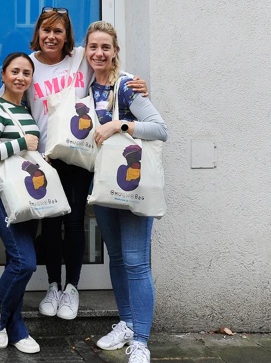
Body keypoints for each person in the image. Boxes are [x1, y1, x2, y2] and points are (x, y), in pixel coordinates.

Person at [0, 8, 145, 321]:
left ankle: (72, 287)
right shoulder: (28, 64)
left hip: (80, 154)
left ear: (67, 35)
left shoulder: (80, 56)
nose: (52, 37)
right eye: (46, 31)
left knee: (74, 220)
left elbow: (106, 60)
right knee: (51, 222)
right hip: (44, 156)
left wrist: (134, 84)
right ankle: (53, 285)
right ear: (37, 34)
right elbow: (1, 100)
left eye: (58, 31)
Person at [84, 21, 167, 363]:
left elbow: (161, 129)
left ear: (115, 50)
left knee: (136, 262)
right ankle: (127, 324)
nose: (99, 53)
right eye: (93, 48)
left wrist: (122, 124)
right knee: (116, 259)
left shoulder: (127, 87)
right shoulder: (85, 86)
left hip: (133, 187)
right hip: (104, 185)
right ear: (85, 52)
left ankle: (142, 342)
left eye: (106, 47)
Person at [0, 52, 42, 354]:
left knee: (16, 262)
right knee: (24, 261)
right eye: (14, 71)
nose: (20, 77)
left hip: (28, 193)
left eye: (26, 73)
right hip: (3, 194)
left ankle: (15, 326)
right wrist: (22, 143)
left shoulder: (27, 110)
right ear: (2, 76)